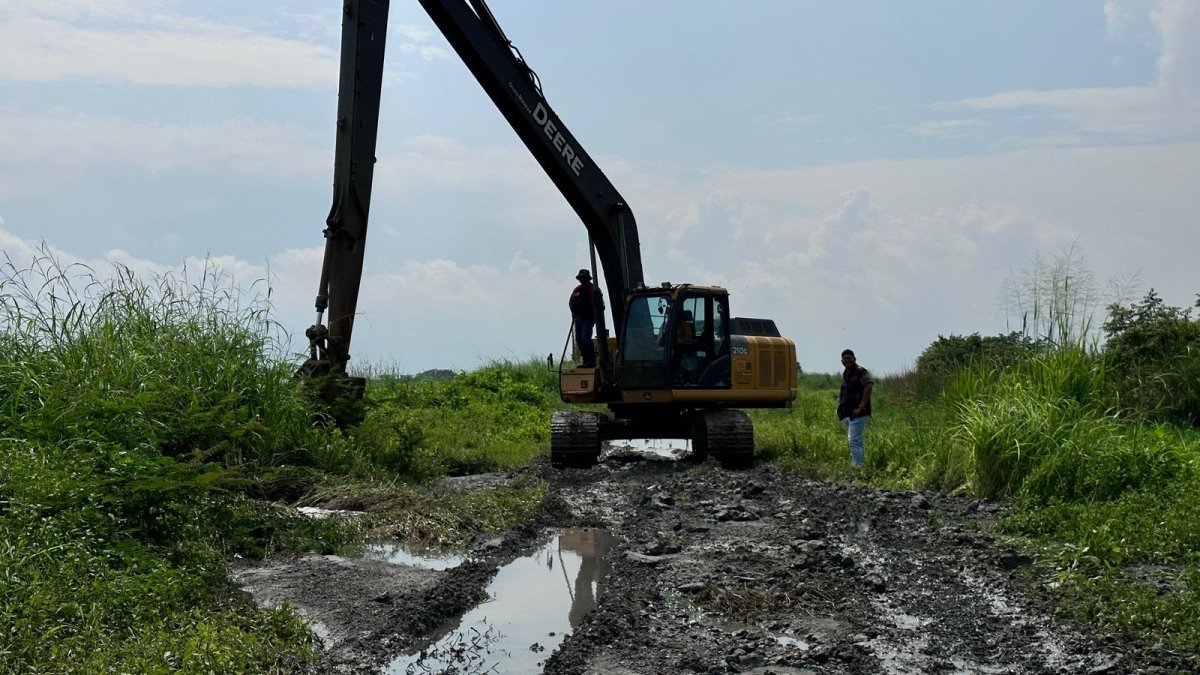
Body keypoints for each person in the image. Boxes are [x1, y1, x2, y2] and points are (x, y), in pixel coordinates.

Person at [837, 349, 873, 467]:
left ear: (854, 359)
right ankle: (860, 465)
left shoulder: (860, 371)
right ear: (842, 361)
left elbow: (868, 385)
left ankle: (858, 467)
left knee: (853, 440)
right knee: (857, 441)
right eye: (845, 359)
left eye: (849, 358)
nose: (847, 360)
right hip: (848, 413)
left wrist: (862, 405)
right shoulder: (846, 373)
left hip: (859, 412)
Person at [568, 268, 603, 367]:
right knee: (579, 339)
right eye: (581, 278)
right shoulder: (577, 289)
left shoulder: (593, 289)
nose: (582, 280)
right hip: (578, 317)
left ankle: (590, 361)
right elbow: (571, 302)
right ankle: (585, 360)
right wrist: (573, 314)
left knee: (585, 338)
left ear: (588, 278)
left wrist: (597, 314)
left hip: (589, 318)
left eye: (584, 278)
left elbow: (600, 304)